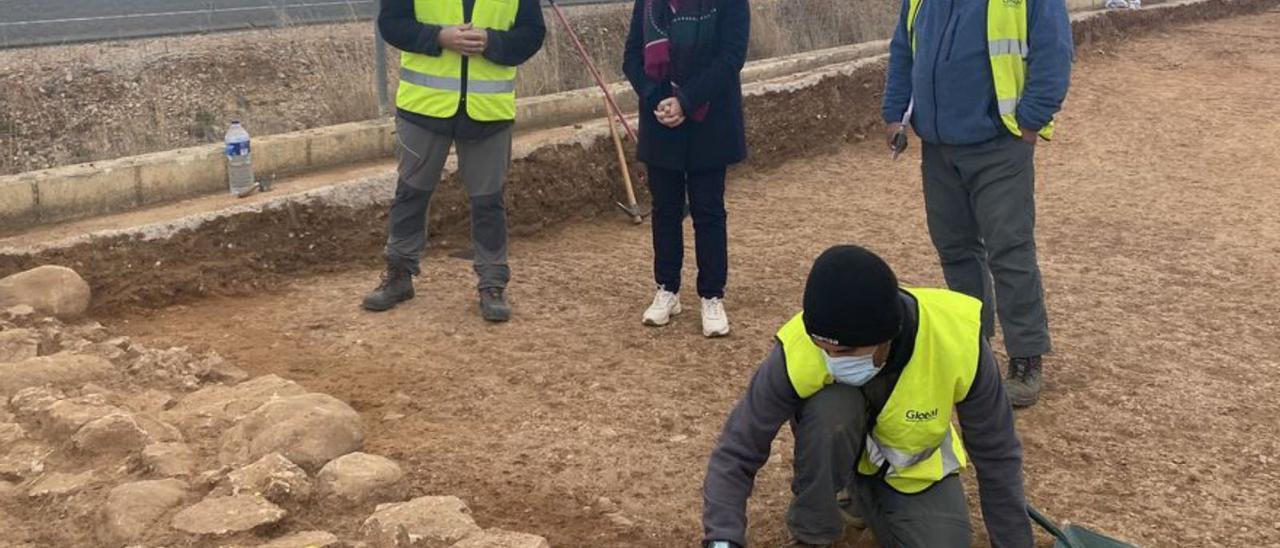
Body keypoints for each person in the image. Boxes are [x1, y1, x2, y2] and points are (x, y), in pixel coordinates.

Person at [701, 245, 1032, 548]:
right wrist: (722, 540)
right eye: (824, 349)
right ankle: (816, 530)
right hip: (838, 450)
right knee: (833, 410)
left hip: (911, 477)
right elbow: (738, 449)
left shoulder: (956, 338)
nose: (831, 359)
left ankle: (866, 502)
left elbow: (997, 453)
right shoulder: (798, 347)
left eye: (845, 351)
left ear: (887, 336)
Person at [881, 0, 1073, 406]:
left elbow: (1053, 49)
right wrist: (895, 113)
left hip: (999, 145)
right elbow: (904, 48)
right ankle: (973, 345)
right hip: (938, 147)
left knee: (1010, 250)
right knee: (954, 249)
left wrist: (1031, 120)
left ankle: (1025, 358)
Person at [362, 0, 545, 321]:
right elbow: (392, 23)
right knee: (411, 194)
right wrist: (438, 37)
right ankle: (399, 275)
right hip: (423, 108)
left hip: (489, 112)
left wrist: (493, 42)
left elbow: (532, 34)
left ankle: (492, 282)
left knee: (489, 201)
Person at [622, 0, 749, 338]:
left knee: (708, 209)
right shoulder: (648, 3)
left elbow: (731, 56)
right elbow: (632, 57)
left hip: (710, 117)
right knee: (665, 209)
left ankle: (711, 295)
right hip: (661, 116)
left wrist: (687, 99)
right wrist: (657, 98)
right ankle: (667, 289)